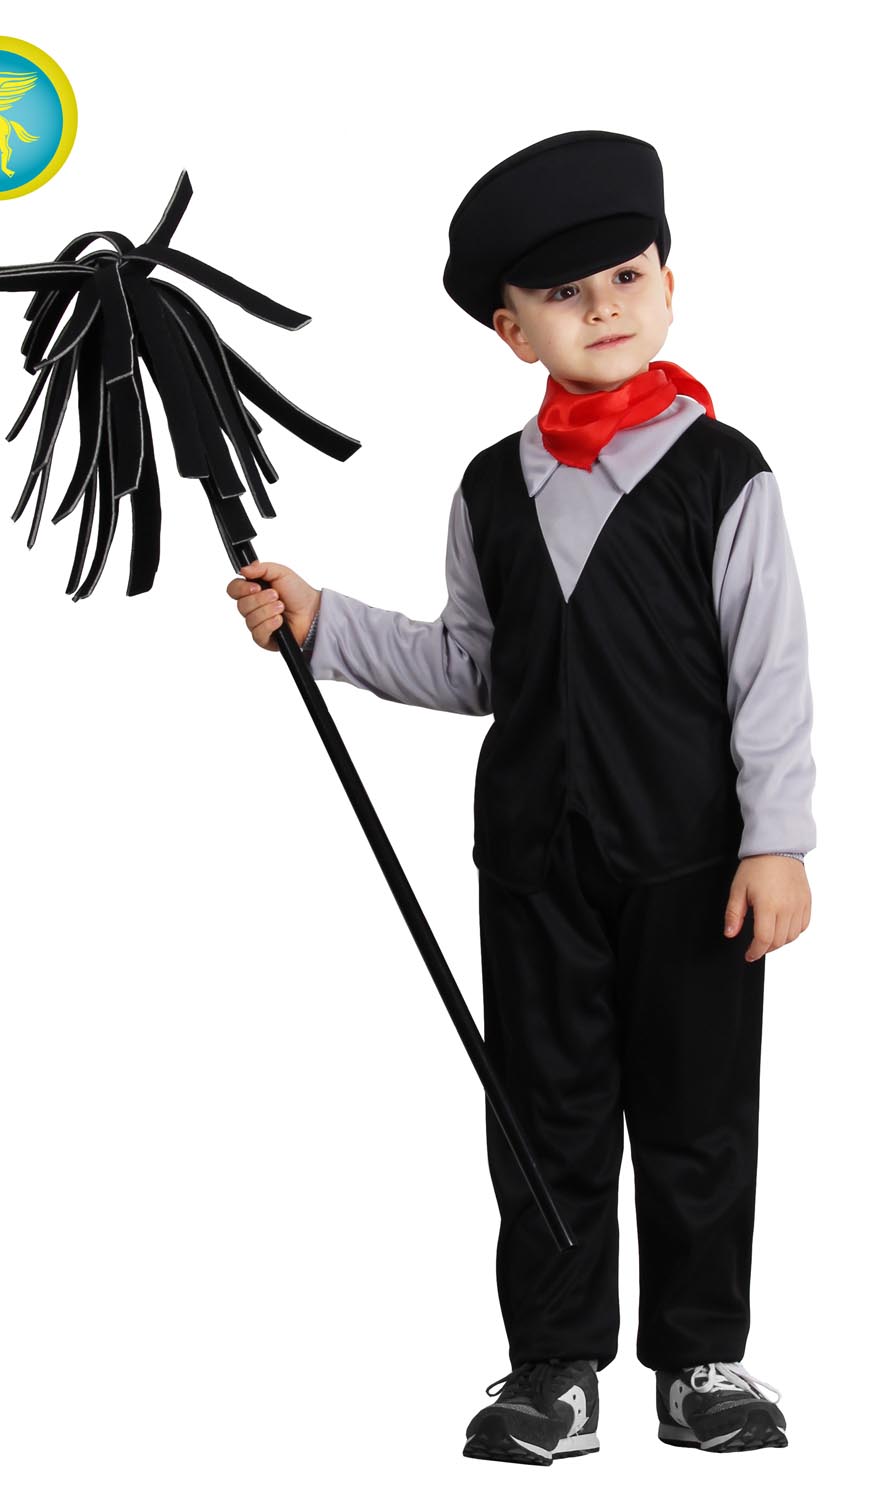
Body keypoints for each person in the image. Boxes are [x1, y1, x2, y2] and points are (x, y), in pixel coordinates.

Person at [225, 129, 815, 1462]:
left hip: (694, 864)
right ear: (511, 331)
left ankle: (701, 1359)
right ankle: (554, 1366)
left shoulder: (725, 475)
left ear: (671, 285)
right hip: (537, 865)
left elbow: (770, 670)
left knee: (698, 1110)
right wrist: (320, 623)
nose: (603, 307)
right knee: (544, 1114)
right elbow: (472, 665)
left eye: (626, 276)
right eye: (563, 293)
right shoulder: (492, 489)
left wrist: (777, 840)